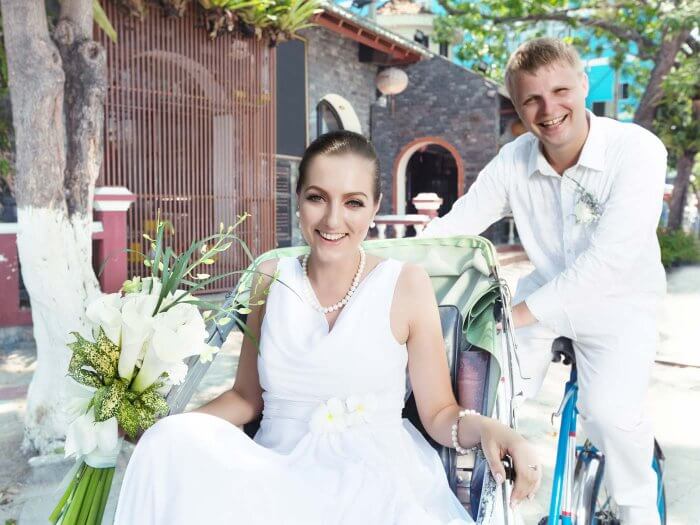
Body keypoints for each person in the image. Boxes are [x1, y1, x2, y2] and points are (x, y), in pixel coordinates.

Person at [114, 130, 540, 524]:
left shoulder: (406, 284)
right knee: (169, 443)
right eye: (318, 198)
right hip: (275, 477)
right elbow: (246, 398)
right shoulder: (269, 276)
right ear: (298, 200)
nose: (333, 220)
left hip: (375, 479)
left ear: (374, 207)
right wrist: (171, 428)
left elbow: (439, 413)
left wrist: (490, 427)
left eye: (353, 202)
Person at [422, 38, 667, 525]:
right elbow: (455, 227)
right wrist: (390, 268)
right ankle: (492, 505)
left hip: (621, 303)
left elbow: (608, 263)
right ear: (517, 106)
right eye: (532, 98)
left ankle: (642, 512)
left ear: (582, 85)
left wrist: (512, 317)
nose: (549, 109)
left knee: (611, 415)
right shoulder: (515, 159)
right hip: (544, 291)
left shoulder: (636, 149)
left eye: (560, 91)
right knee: (486, 394)